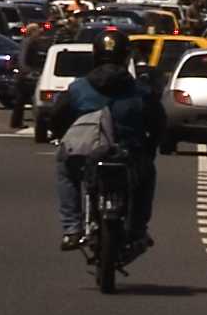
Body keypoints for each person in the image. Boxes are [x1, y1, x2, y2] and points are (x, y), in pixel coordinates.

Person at [53, 31, 161, 257]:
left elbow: (57, 115)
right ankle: (139, 230)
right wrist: (149, 148)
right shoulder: (140, 90)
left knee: (65, 168)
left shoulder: (79, 88)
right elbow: (159, 121)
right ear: (125, 58)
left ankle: (72, 228)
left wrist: (64, 137)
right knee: (146, 177)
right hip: (129, 154)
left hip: (86, 154)